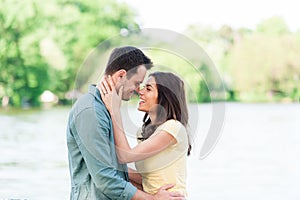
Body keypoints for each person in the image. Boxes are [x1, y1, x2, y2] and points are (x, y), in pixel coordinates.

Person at [66, 46, 185, 200]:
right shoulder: (91, 111)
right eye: (137, 83)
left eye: (146, 87)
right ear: (121, 75)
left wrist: (153, 188)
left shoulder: (105, 110)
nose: (138, 90)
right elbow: (106, 179)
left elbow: (116, 167)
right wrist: (153, 198)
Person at [99, 71, 192, 198]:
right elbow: (148, 180)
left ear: (164, 96)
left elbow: (125, 156)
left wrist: (114, 110)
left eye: (148, 89)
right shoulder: (143, 133)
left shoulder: (173, 128)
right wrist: (104, 167)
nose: (140, 91)